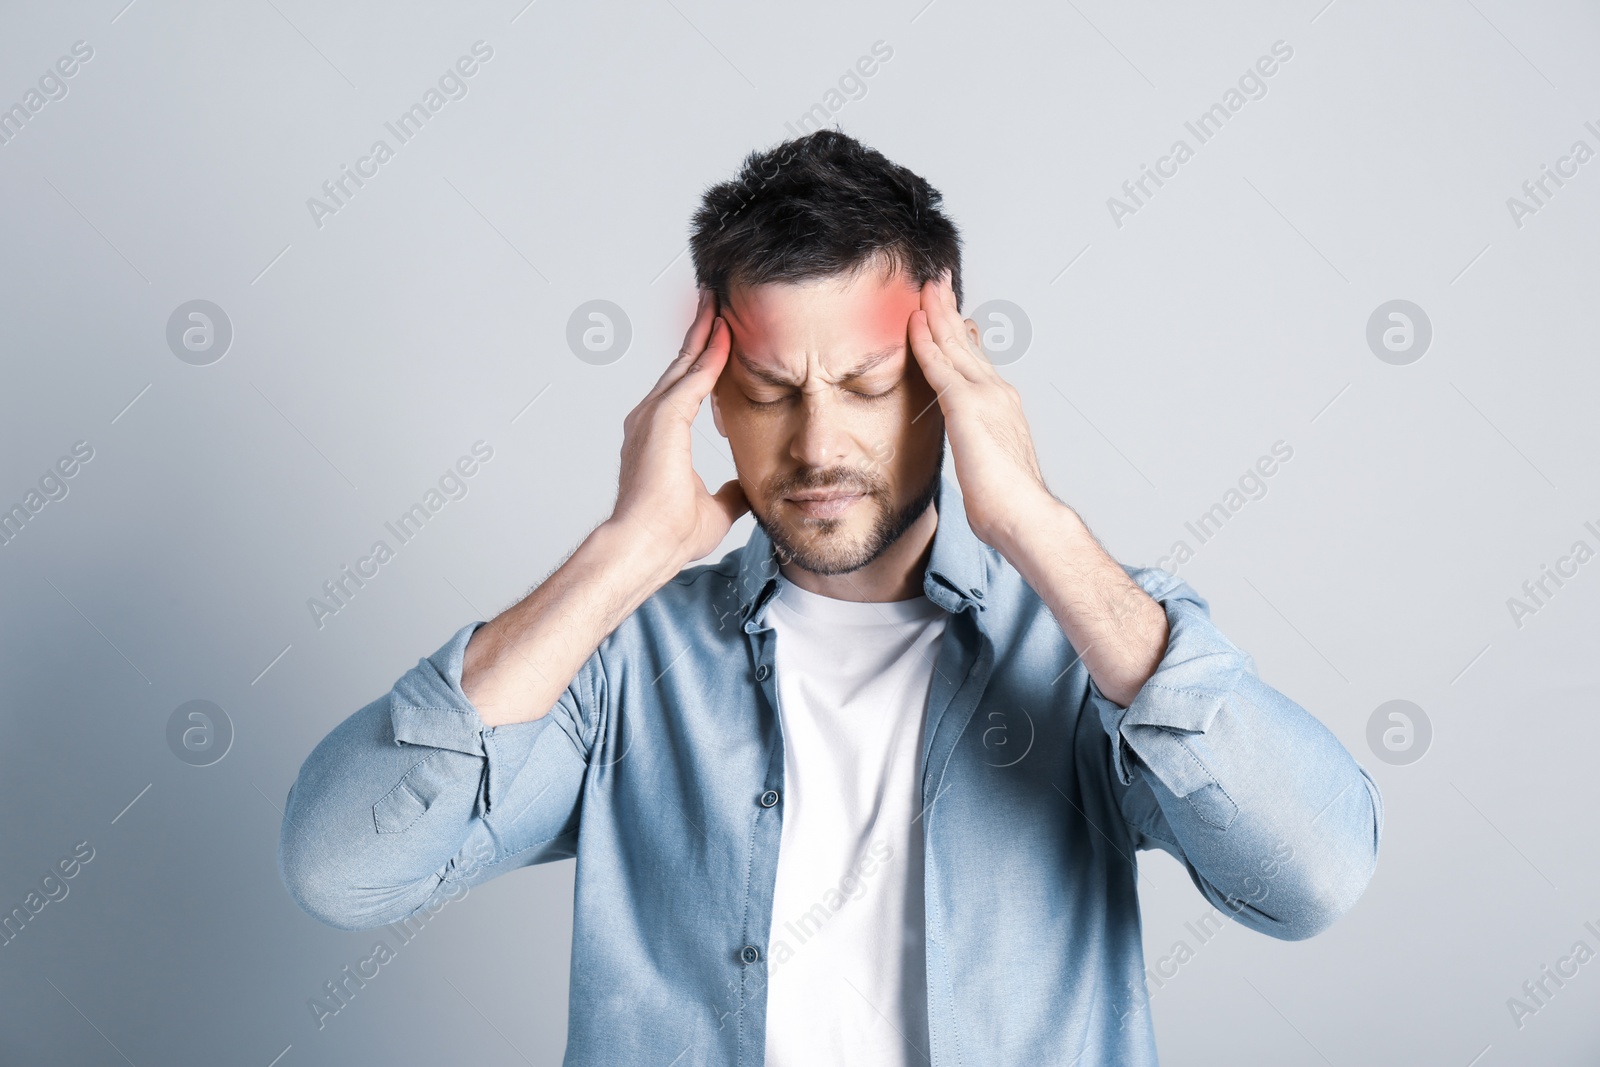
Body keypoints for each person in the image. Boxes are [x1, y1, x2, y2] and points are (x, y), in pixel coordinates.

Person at [278, 129, 1382, 1066]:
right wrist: (620, 554)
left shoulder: (1093, 640)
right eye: (768, 392)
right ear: (709, 401)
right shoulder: (618, 663)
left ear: (954, 382)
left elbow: (1312, 875)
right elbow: (344, 867)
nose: (817, 442)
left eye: (867, 385)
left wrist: (1033, 524)